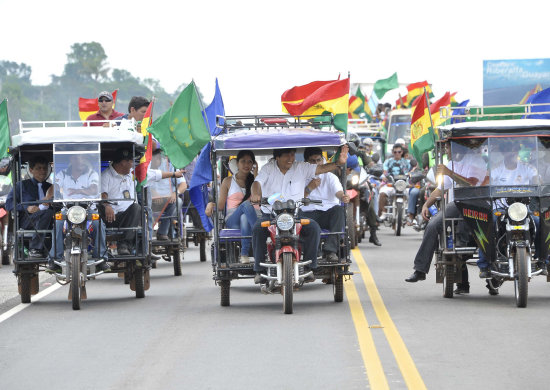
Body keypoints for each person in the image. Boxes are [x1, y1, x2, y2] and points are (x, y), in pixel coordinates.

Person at [250, 145, 348, 283]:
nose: (290, 158)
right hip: (271, 215)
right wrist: (255, 194)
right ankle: (259, 271)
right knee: (257, 229)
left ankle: (309, 268)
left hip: (295, 215)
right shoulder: (268, 168)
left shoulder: (301, 167)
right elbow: (257, 183)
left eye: (292, 155)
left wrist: (338, 163)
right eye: (286, 155)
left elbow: (321, 169)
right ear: (277, 157)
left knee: (314, 228)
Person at [405, 142, 487, 286]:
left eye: (448, 147)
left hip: (476, 204)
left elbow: (471, 185)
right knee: (433, 225)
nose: (446, 150)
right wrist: (426, 204)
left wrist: (450, 173)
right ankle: (420, 270)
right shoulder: (450, 163)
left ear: (457, 147)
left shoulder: (476, 161)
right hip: (457, 205)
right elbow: (441, 188)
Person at [49, 154, 109, 272]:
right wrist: (48, 195)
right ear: (71, 159)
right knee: (58, 223)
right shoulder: (62, 174)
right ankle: (54, 260)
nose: (80, 160)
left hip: (88, 208)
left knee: (99, 224)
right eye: (76, 158)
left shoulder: (92, 174)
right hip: (68, 208)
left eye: (82, 157)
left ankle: (101, 258)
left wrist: (77, 191)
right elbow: (54, 186)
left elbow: (94, 189)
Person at [206, 150, 259, 263]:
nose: (246, 165)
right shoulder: (228, 181)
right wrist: (211, 204)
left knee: (244, 217)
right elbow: (220, 206)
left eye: (250, 162)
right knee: (245, 205)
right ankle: (259, 234)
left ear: (253, 164)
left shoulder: (256, 180)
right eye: (243, 161)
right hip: (233, 219)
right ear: (237, 163)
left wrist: (256, 176)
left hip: (252, 217)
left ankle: (244, 254)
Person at [301, 148, 349, 262]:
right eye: (312, 161)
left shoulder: (330, 177)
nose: (316, 164)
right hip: (308, 213)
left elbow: (338, 192)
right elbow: (295, 198)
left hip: (327, 213)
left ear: (322, 160)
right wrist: (309, 188)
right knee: (297, 215)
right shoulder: (300, 177)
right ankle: (313, 252)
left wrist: (343, 196)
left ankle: (330, 250)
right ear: (306, 162)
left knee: (338, 210)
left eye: (318, 160)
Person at [5, 156, 54, 258]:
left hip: (51, 221)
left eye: (45, 168)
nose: (42, 171)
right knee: (47, 212)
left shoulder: (51, 187)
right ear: (31, 170)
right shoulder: (20, 186)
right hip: (28, 220)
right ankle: (35, 248)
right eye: (38, 168)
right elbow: (9, 204)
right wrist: (26, 208)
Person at [100, 148, 142, 255]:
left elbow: (152, 174)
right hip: (110, 216)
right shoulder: (106, 176)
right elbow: (102, 194)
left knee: (137, 208)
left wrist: (173, 175)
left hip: (127, 217)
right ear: (123, 162)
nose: (132, 164)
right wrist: (107, 206)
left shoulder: (131, 175)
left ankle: (126, 245)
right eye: (130, 161)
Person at [147, 149, 187, 241]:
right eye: (155, 158)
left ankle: (162, 232)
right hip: (150, 200)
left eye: (159, 158)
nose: (158, 160)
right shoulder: (146, 167)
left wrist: (175, 193)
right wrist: (153, 193)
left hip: (168, 199)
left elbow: (183, 185)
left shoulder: (170, 165)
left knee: (178, 201)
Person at [347, 155, 381, 246]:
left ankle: (373, 234)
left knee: (369, 200)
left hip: (358, 182)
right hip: (343, 183)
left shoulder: (358, 154)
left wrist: (362, 154)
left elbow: (369, 163)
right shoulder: (336, 153)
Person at [378, 143, 411, 218]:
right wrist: (384, 176)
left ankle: (411, 216)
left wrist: (412, 174)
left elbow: (411, 171)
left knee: (414, 194)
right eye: (395, 152)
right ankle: (384, 212)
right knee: (382, 193)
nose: (397, 154)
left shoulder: (407, 162)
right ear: (392, 152)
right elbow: (384, 171)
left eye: (399, 152)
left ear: (402, 152)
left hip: (404, 186)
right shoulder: (388, 162)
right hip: (391, 184)